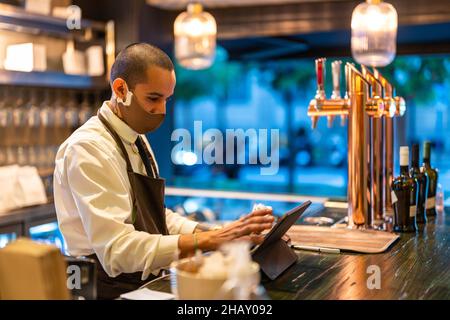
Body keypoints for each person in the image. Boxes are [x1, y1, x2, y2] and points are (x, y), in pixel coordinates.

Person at [53, 43, 274, 299]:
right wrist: (211, 240)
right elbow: (117, 250)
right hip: (103, 289)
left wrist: (219, 232)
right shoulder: (88, 148)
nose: (162, 110)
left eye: (167, 99)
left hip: (142, 285)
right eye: (153, 98)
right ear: (121, 89)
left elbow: (155, 216)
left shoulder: (135, 138)